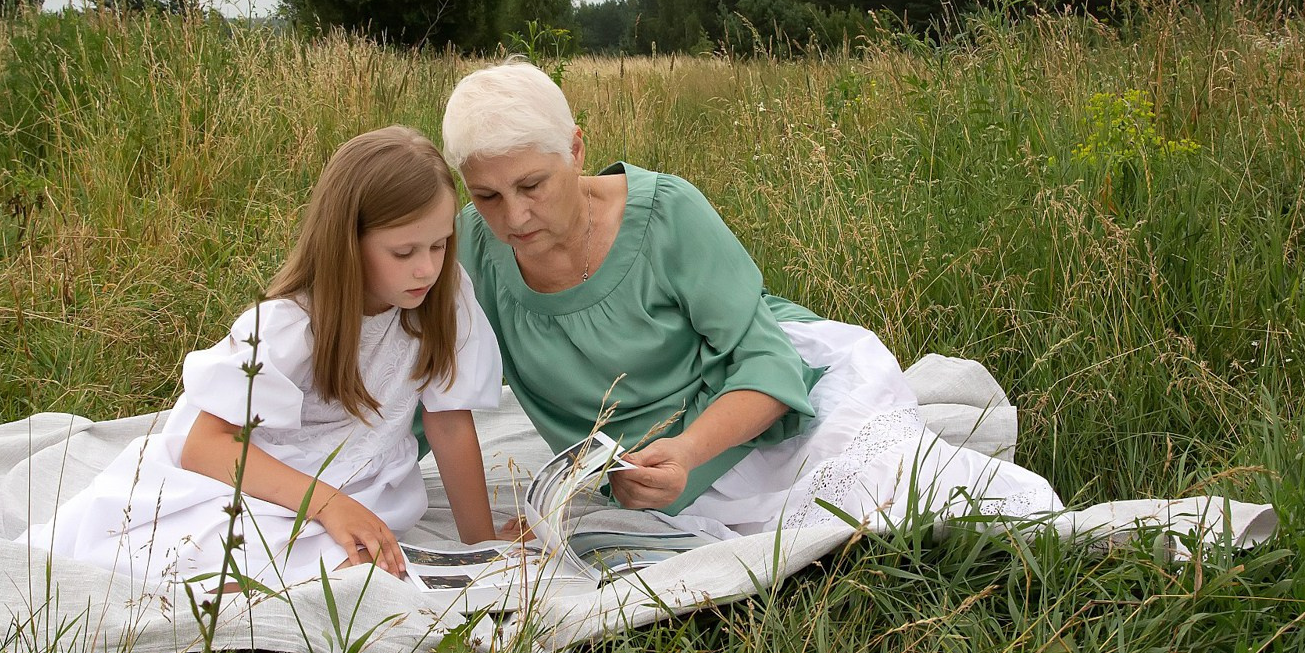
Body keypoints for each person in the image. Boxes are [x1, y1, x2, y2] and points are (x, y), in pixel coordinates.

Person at [442, 61, 1064, 541]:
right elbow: (427, 390)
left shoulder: (667, 216)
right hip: (640, 474)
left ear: (575, 150)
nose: (513, 217)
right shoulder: (471, 249)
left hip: (741, 415)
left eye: (532, 185)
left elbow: (766, 362)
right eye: (487, 196)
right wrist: (475, 537)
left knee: (896, 500)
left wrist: (687, 453)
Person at [24, 127, 503, 594]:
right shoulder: (289, 324)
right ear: (347, 245)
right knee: (233, 565)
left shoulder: (444, 297)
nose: (427, 268)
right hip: (253, 476)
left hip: (363, 486)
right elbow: (205, 447)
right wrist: (327, 504)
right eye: (403, 252)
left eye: (439, 244)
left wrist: (482, 545)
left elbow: (448, 423)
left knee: (362, 568)